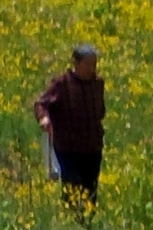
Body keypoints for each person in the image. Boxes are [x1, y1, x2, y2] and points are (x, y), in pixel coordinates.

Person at [37, 43, 108, 208]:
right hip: (68, 147)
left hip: (93, 145)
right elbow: (42, 104)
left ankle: (87, 221)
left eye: (94, 64)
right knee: (72, 186)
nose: (92, 68)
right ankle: (72, 219)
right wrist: (44, 118)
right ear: (75, 63)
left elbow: (101, 111)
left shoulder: (98, 83)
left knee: (90, 187)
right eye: (88, 64)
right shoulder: (62, 84)